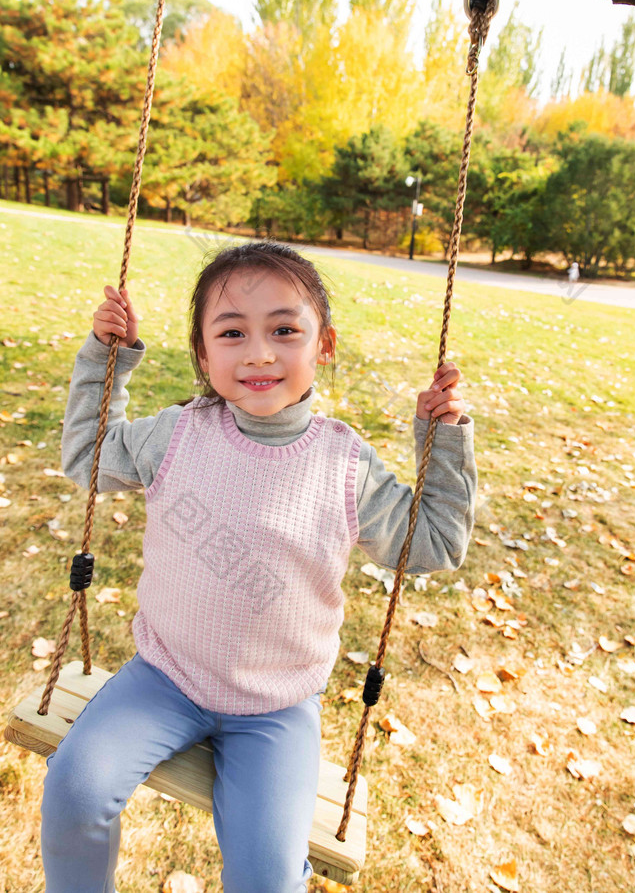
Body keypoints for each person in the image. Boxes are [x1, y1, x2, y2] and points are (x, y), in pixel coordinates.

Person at [41, 241, 476, 893]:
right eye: (232, 333)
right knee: (75, 790)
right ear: (203, 353)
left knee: (268, 877)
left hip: (276, 709)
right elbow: (88, 457)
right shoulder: (177, 435)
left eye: (284, 330)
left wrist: (442, 440)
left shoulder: (343, 466)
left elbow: (435, 540)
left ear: (322, 344)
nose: (259, 352)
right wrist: (107, 361)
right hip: (164, 679)